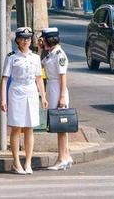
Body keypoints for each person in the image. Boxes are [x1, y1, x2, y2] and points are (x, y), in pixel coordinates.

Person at [0, 27, 48, 175]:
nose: (26, 41)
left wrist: (43, 97)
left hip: (31, 92)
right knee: (16, 127)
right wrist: (3, 99)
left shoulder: (35, 57)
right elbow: (4, 79)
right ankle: (16, 162)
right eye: (23, 38)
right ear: (18, 40)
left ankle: (28, 162)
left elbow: (39, 78)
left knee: (29, 127)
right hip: (16, 91)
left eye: (28, 38)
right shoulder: (11, 57)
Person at [40, 27, 72, 171]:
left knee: (61, 126)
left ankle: (62, 158)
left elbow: (63, 77)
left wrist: (63, 96)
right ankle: (66, 155)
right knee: (59, 125)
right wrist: (41, 49)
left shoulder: (59, 55)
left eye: (43, 39)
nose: (42, 41)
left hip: (58, 89)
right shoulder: (51, 53)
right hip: (52, 89)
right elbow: (40, 65)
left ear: (49, 39)